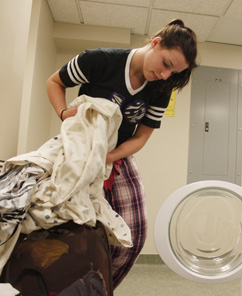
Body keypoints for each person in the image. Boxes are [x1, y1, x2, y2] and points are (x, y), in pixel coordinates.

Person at [46, 19, 198, 288]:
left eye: (173, 73)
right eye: (166, 64)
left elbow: (141, 136)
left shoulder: (161, 88)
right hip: (80, 146)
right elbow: (54, 82)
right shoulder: (99, 60)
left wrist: (108, 158)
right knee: (68, 223)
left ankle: (95, 290)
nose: (165, 76)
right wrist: (62, 113)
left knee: (134, 234)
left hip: (118, 153)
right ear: (155, 42)